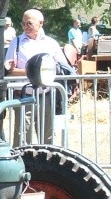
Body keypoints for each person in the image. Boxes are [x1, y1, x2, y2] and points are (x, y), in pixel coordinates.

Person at [5, 9, 69, 145]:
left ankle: (46, 164)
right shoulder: (16, 43)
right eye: (23, 24)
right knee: (21, 137)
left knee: (47, 137)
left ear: (41, 23)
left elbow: (61, 67)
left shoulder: (51, 43)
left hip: (47, 96)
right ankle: (21, 163)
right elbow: (9, 70)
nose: (25, 27)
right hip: (23, 95)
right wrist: (35, 72)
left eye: (29, 23)